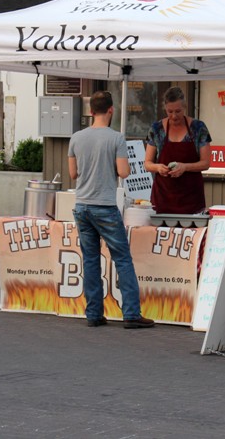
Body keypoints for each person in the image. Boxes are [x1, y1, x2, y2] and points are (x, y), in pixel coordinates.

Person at [68, 91, 154, 328]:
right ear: (111, 110)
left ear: (90, 111)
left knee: (91, 260)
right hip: (105, 206)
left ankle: (94, 313)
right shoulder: (116, 138)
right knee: (122, 259)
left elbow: (73, 174)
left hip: (82, 205)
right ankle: (131, 314)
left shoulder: (76, 137)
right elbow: (124, 172)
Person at [144, 86, 212, 214]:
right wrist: (158, 168)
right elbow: (147, 163)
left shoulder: (198, 128)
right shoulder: (156, 129)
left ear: (185, 107)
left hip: (191, 199)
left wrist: (185, 167)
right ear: (165, 108)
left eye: (178, 111)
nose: (174, 116)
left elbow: (206, 163)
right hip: (162, 197)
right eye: (170, 111)